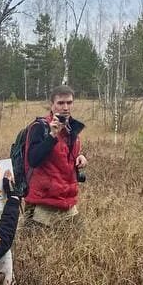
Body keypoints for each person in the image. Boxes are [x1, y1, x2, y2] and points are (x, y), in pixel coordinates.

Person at [23, 86, 87, 227]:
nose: (65, 107)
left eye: (69, 103)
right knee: (35, 247)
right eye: (60, 103)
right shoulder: (40, 127)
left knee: (79, 245)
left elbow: (64, 154)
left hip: (67, 203)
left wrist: (79, 156)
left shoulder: (71, 129)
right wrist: (52, 135)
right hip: (42, 206)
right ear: (52, 105)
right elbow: (33, 160)